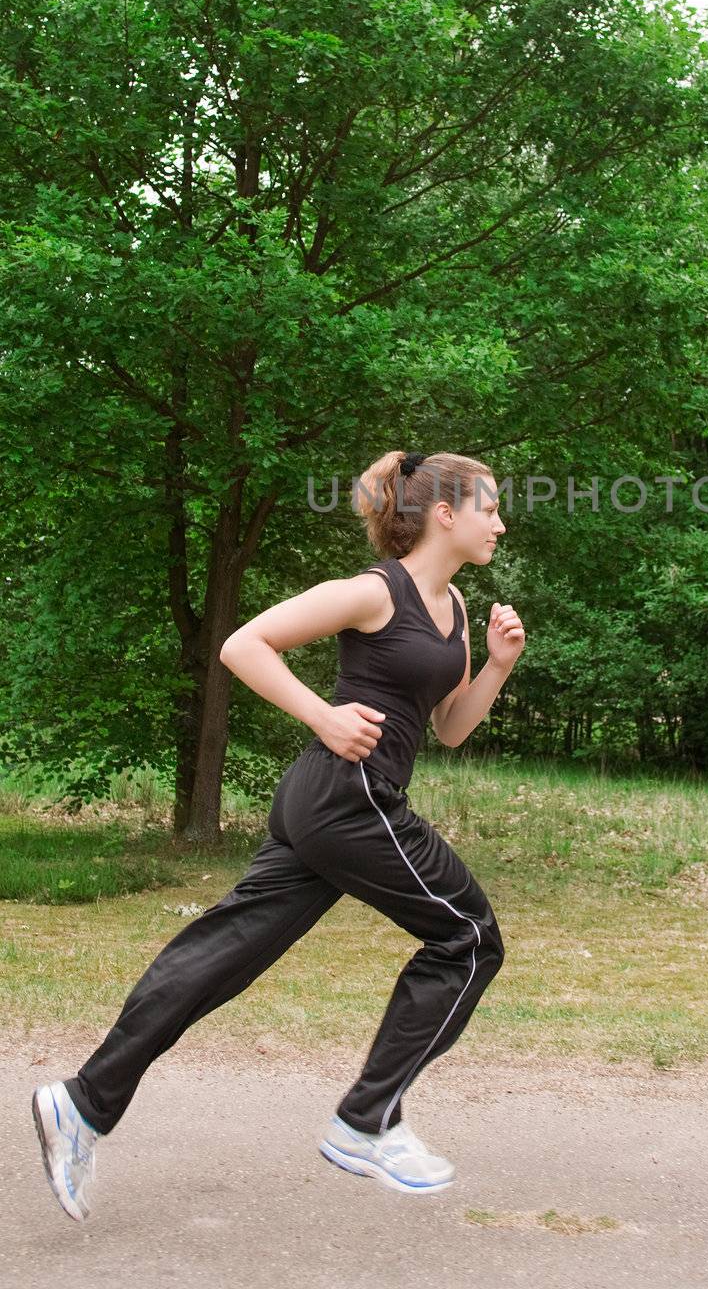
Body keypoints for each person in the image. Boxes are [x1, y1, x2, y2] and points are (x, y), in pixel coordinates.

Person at [33, 450, 522, 1220]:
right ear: (444, 514)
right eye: (489, 508)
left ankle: (82, 1103)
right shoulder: (372, 591)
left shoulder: (456, 612)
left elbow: (451, 728)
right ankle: (366, 1121)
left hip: (330, 804)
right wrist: (323, 715)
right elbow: (242, 645)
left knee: (221, 954)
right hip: (347, 797)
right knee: (468, 937)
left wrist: (494, 667)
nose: (500, 522)